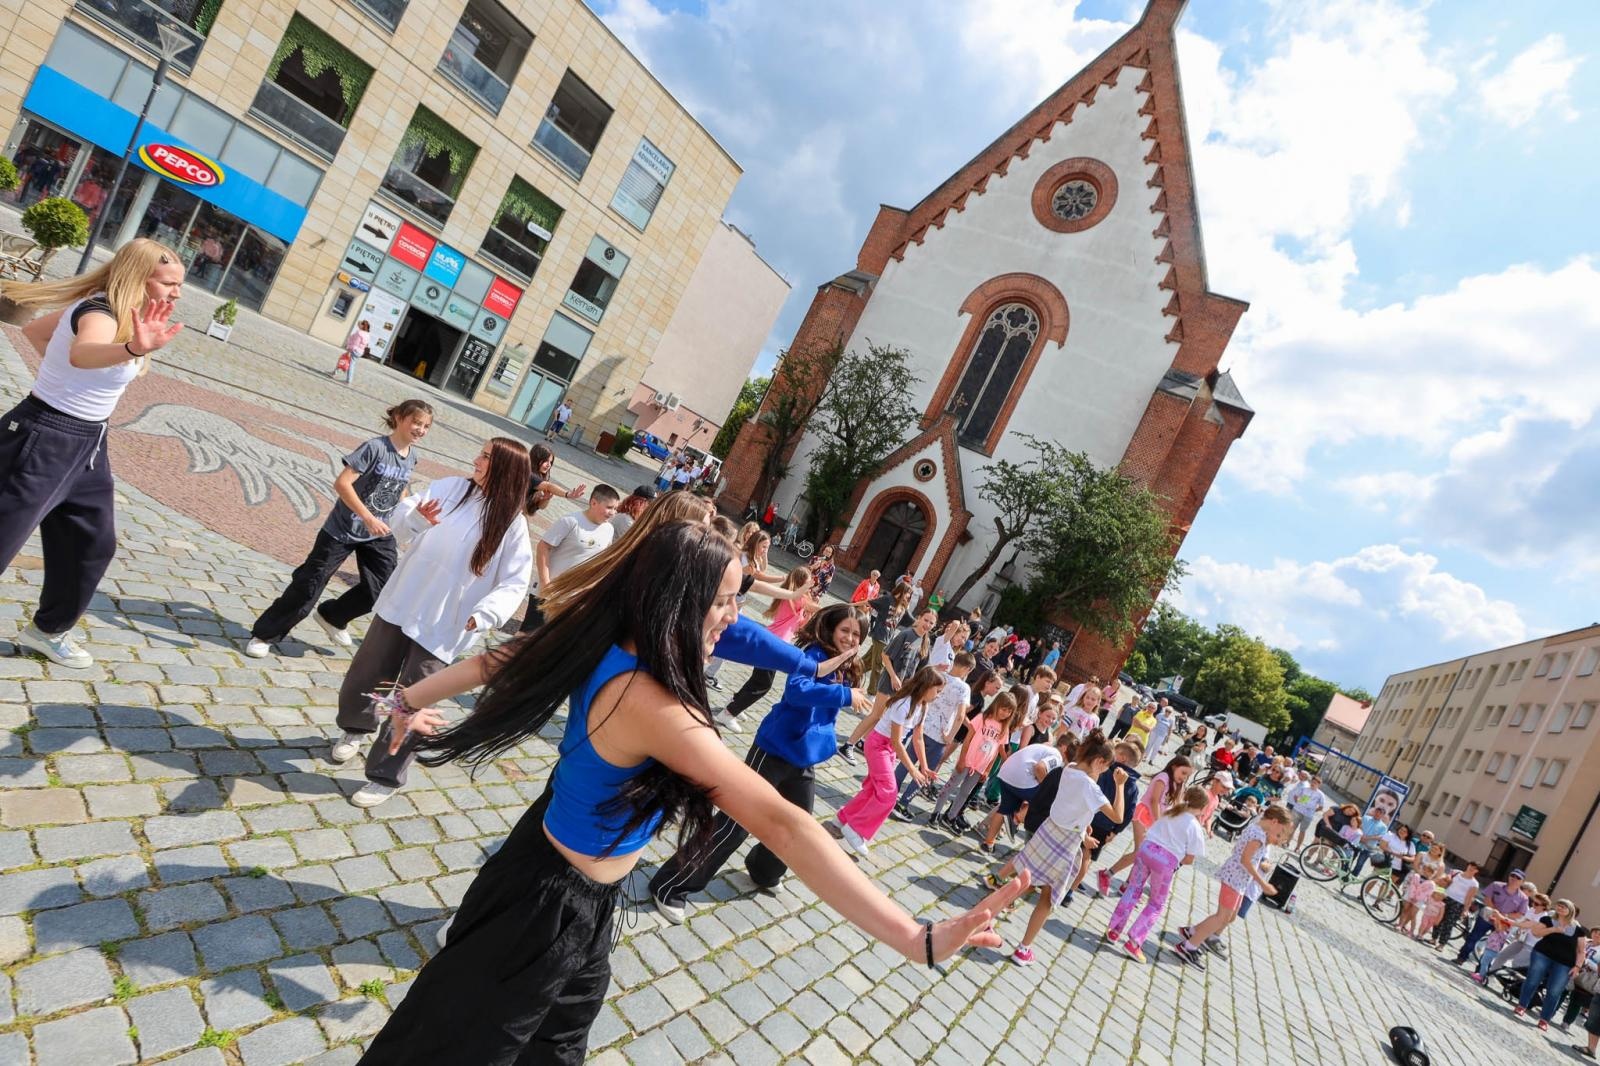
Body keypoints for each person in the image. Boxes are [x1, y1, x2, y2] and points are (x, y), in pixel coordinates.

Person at [356, 524, 1026, 1064]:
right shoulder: (652, 704)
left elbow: (499, 660)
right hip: (541, 912)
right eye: (723, 601)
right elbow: (782, 822)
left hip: (574, 901)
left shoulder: (608, 639)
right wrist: (917, 936)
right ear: (676, 600)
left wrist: (406, 702)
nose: (732, 619)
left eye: (738, 598)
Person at [0, 238, 185, 669]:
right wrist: (131, 351)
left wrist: (65, 374)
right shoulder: (99, 311)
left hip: (88, 444)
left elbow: (35, 331)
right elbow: (83, 352)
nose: (176, 293)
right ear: (140, 278)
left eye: (180, 285)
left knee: (92, 542)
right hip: (45, 437)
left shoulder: (120, 314)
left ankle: (47, 631)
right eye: (169, 283)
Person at [331, 438, 533, 807]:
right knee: (368, 672)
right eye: (481, 453)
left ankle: (385, 774)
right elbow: (399, 523)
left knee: (415, 694)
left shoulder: (511, 523)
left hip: (445, 621)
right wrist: (416, 520)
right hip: (404, 600)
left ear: (505, 467)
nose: (476, 459)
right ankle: (355, 729)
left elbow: (515, 581)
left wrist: (484, 614)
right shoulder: (451, 488)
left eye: (486, 457)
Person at [649, 603, 874, 919]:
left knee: (798, 823)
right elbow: (796, 691)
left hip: (803, 758)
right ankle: (671, 884)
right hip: (773, 750)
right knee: (737, 822)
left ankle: (764, 870)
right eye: (845, 630)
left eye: (856, 634)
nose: (850, 638)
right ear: (830, 628)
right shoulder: (814, 653)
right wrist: (845, 696)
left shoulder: (846, 664)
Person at [248, 399, 434, 657]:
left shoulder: (412, 456)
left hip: (379, 533)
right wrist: (367, 517)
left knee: (385, 588)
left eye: (426, 426)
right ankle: (264, 635)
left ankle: (333, 616)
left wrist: (409, 514)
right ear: (400, 418)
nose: (420, 430)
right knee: (309, 585)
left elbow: (398, 488)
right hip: (342, 530)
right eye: (416, 422)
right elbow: (343, 484)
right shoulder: (375, 448)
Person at [985, 731, 1124, 966]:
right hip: (1065, 842)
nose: (1105, 773)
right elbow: (1118, 816)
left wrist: (1084, 825)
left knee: (1024, 881)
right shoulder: (1092, 787)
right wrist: (1119, 786)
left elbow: (1080, 797)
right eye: (1105, 767)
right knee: (1046, 898)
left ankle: (987, 918)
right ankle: (1023, 949)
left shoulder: (1070, 768)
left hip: (1048, 830)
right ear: (1099, 762)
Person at [834, 667, 944, 855]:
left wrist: (924, 767)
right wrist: (912, 770)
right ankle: (855, 829)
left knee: (873, 789)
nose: (938, 696)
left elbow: (918, 738)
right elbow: (896, 740)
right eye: (937, 691)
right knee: (888, 793)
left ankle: (844, 818)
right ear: (926, 687)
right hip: (878, 746)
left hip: (889, 749)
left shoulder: (923, 706)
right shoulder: (904, 704)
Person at [1173, 806, 1293, 968]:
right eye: (1279, 834)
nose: (1278, 839)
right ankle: (1188, 946)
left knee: (1230, 916)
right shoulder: (1257, 836)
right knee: (1222, 917)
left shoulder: (1259, 832)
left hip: (1239, 881)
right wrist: (1262, 883)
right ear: (1274, 822)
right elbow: (1246, 860)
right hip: (1234, 878)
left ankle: (1193, 932)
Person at [1106, 786, 1210, 961]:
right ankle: (1134, 941)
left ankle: (1115, 929)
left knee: (1133, 889)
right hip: (1164, 862)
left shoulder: (1171, 811)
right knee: (1156, 903)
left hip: (1147, 849)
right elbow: (1189, 859)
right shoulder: (1194, 827)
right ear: (1202, 808)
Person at [712, 565, 816, 732]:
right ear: (802, 582)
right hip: (772, 643)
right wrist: (851, 607)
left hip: (777, 643)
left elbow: (798, 625)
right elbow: (818, 608)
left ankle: (734, 704)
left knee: (757, 681)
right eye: (809, 580)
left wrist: (806, 617)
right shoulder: (796, 599)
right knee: (762, 685)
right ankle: (728, 713)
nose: (812, 582)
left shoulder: (797, 600)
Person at [520, 485, 619, 632]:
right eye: (609, 507)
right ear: (593, 503)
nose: (612, 513)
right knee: (527, 636)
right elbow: (543, 547)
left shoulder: (609, 530)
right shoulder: (571, 521)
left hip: (573, 597)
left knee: (551, 640)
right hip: (549, 592)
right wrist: (546, 584)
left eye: (615, 509)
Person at [893, 651, 974, 820]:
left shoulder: (939, 675)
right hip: (939, 735)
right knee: (926, 770)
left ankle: (889, 793)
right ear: (967, 668)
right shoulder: (964, 688)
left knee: (906, 762)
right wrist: (950, 737)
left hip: (922, 728)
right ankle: (903, 803)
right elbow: (960, 715)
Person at [1097, 755, 1193, 895]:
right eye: (1183, 773)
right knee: (1139, 852)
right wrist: (1159, 824)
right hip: (1144, 815)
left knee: (1144, 855)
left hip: (1157, 821)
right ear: (1174, 766)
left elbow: (1177, 805)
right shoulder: (1163, 777)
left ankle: (1127, 885)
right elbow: (1154, 801)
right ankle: (1107, 874)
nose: (1184, 777)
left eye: (1187, 776)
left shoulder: (1179, 785)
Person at [929, 690, 1015, 832]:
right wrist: (962, 759)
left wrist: (987, 769)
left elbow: (995, 752)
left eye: (1009, 711)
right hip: (968, 760)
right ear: (996, 705)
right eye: (1004, 709)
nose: (1005, 713)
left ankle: (950, 816)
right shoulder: (982, 718)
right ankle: (935, 813)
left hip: (980, 766)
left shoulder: (1004, 729)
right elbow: (968, 739)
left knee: (965, 792)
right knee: (950, 786)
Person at [979, 735, 1065, 853]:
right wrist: (1045, 785)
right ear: (1064, 748)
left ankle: (988, 843)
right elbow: (1039, 767)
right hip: (1021, 779)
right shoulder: (1057, 756)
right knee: (1045, 797)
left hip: (1006, 773)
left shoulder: (1045, 746)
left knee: (1004, 809)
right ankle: (1016, 819)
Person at [1515, 899, 1588, 1031]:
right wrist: (1553, 929)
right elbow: (1536, 933)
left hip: (1565, 963)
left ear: (1570, 910)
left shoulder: (1579, 930)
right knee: (1532, 981)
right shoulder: (1547, 920)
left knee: (1554, 991)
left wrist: (1577, 967)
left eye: (1564, 906)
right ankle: (1521, 1006)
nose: (1560, 907)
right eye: (1559, 905)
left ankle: (1544, 1019)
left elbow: (1581, 951)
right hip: (1542, 955)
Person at [1454, 868, 1529, 965]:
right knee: (1474, 937)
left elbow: (1520, 913)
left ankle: (1481, 969)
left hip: (1502, 923)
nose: (1514, 878)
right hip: (1487, 916)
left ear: (1522, 882)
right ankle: (1461, 957)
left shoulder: (1523, 898)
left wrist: (1503, 916)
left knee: (1493, 946)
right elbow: (1487, 898)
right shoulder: (1496, 885)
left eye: (1518, 878)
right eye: (1512, 876)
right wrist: (1495, 911)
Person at [1431, 862, 1481, 949]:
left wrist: (1465, 910)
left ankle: (1442, 944)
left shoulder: (1474, 883)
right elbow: (1444, 883)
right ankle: (1433, 938)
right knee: (1438, 918)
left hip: (1458, 903)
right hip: (1445, 897)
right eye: (1471, 866)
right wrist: (1438, 892)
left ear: (1477, 871)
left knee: (1449, 924)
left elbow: (1469, 898)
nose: (1471, 868)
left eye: (1474, 868)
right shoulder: (1456, 872)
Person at [1283, 774, 1327, 850]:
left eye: (1315, 783)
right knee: (1292, 827)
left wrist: (1313, 810)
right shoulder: (1304, 788)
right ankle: (1287, 842)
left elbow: (1321, 807)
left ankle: (1297, 847)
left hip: (1308, 815)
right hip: (1297, 810)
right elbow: (1295, 796)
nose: (1313, 784)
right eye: (1312, 782)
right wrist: (1297, 802)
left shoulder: (1321, 795)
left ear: (1319, 785)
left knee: (1302, 831)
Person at [336, 319, 370, 384]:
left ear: (362, 326)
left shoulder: (359, 333)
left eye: (360, 324)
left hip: (354, 350)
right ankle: (335, 372)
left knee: (350, 365)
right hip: (360, 351)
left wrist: (349, 350)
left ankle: (348, 380)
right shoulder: (367, 334)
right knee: (343, 359)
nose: (358, 325)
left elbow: (355, 343)